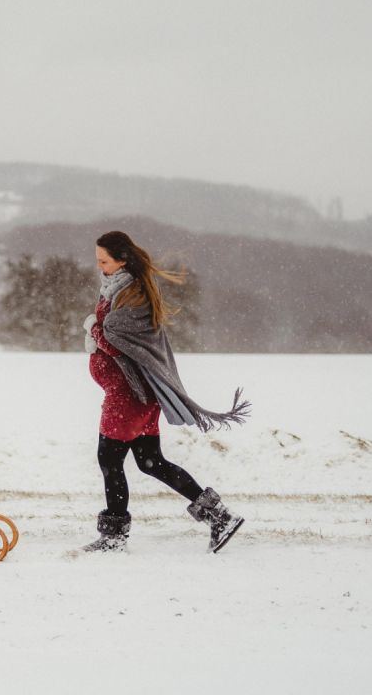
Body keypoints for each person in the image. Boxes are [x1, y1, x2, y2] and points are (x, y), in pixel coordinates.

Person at [82, 231, 248, 554]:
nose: (99, 266)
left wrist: (92, 328)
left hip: (127, 397)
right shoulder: (119, 288)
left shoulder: (134, 295)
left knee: (110, 460)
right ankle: (218, 516)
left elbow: (116, 342)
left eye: (104, 260)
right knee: (150, 461)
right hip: (137, 395)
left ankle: (114, 536)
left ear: (122, 259)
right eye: (98, 260)